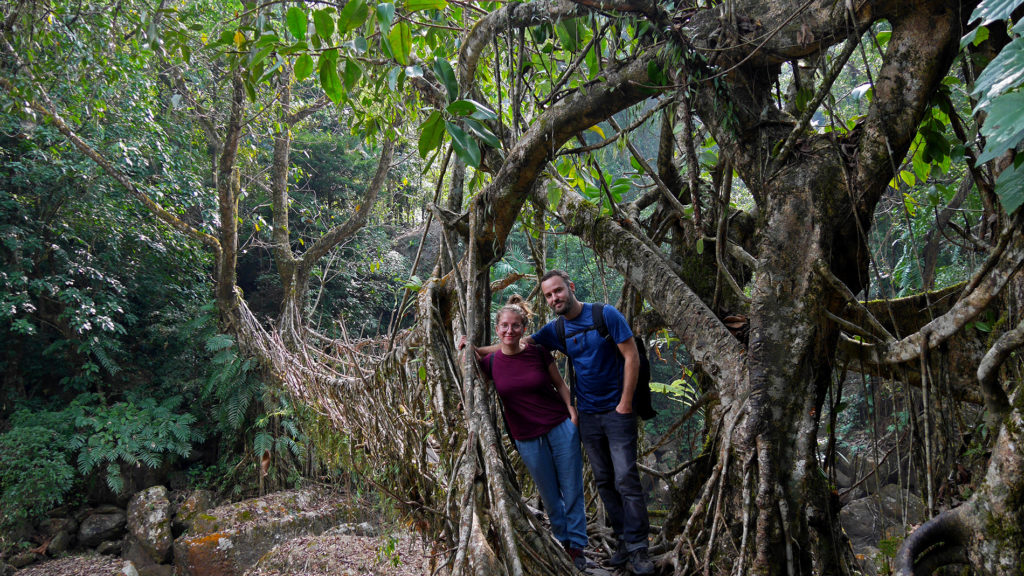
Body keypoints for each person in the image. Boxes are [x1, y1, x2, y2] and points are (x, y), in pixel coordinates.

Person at [529, 270, 654, 575]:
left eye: (558, 291)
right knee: (604, 481)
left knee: (626, 477)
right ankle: (623, 542)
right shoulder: (556, 330)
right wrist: (476, 351)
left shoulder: (604, 315)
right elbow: (518, 343)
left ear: (570, 287)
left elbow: (632, 356)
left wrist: (625, 404)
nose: (554, 298)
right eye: (548, 295)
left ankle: (639, 549)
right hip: (587, 415)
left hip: (617, 412)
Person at [464, 295, 589, 571]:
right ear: (497, 329)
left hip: (560, 428)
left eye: (516, 326)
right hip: (526, 437)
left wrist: (572, 414)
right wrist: (468, 348)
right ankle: (562, 540)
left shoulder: (538, 352)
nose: (510, 331)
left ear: (524, 328)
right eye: (505, 326)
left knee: (572, 487)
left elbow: (560, 383)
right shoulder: (491, 363)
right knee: (549, 493)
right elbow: (474, 378)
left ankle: (578, 547)